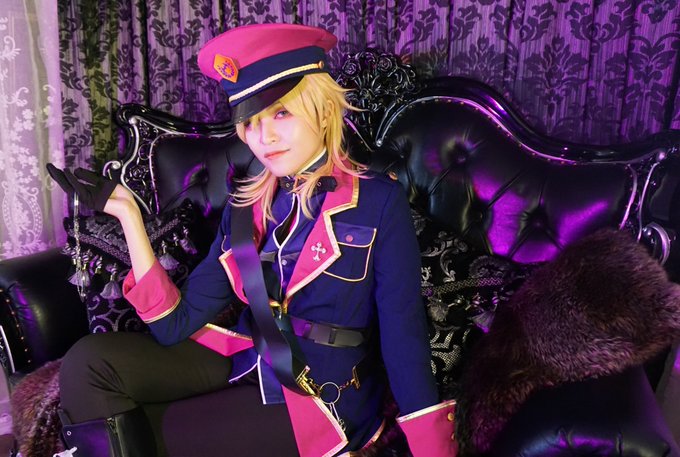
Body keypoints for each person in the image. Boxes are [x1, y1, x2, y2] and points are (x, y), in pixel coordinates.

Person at [48, 23, 456, 457]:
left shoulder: (378, 202)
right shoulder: (244, 208)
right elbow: (173, 325)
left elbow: (404, 338)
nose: (265, 138)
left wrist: (432, 448)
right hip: (248, 359)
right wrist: (128, 213)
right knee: (87, 364)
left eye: (281, 113)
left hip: (322, 393)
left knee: (141, 434)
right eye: (250, 122)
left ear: (321, 110)